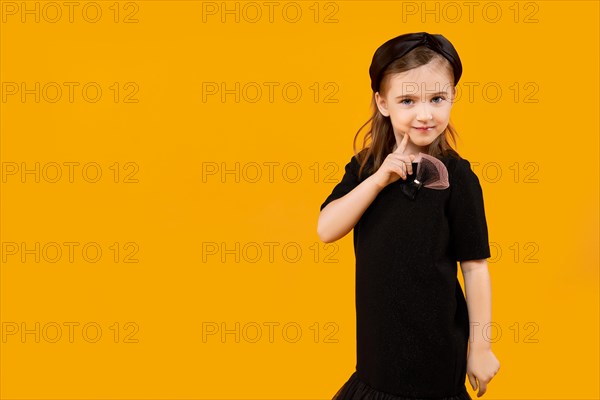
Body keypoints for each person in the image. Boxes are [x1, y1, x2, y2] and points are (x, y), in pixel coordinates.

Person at [317, 32, 500, 400]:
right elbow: (326, 229)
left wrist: (480, 348)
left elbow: (475, 267)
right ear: (383, 103)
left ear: (452, 97)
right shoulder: (365, 168)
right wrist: (379, 179)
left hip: (436, 357)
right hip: (377, 360)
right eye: (407, 100)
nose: (425, 113)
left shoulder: (458, 177)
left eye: (437, 98)